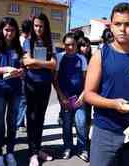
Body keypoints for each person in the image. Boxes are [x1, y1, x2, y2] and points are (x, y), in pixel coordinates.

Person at [84, 2, 129, 166]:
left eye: (128, 24)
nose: (123, 29)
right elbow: (88, 94)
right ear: (111, 27)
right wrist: (112, 104)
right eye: (118, 24)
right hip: (105, 131)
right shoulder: (101, 55)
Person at [0, 17, 24, 166]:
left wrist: (21, 72)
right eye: (7, 29)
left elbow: (22, 67)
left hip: (15, 89)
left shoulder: (19, 47)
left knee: (12, 122)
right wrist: (7, 69)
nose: (9, 33)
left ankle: (10, 152)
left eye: (12, 30)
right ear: (2, 30)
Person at [22, 13, 56, 166]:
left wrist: (37, 63)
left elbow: (53, 64)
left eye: (41, 26)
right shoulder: (28, 42)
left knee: (41, 118)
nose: (38, 29)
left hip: (45, 86)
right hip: (31, 85)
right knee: (32, 117)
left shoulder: (50, 43)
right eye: (36, 26)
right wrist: (43, 62)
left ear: (45, 26)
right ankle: (32, 153)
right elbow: (27, 63)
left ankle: (38, 149)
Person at [53, 32, 89, 161]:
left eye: (72, 44)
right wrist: (61, 96)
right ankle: (67, 147)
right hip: (65, 99)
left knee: (81, 122)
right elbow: (55, 80)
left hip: (79, 98)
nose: (70, 47)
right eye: (67, 45)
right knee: (66, 124)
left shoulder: (82, 59)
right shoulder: (59, 57)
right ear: (64, 45)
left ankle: (82, 149)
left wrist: (83, 95)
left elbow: (87, 80)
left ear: (76, 45)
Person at [16, 19, 32, 132]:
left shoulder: (27, 40)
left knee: (24, 98)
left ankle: (21, 122)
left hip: (26, 71)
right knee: (23, 99)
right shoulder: (21, 41)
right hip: (22, 72)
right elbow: (20, 58)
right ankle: (19, 123)